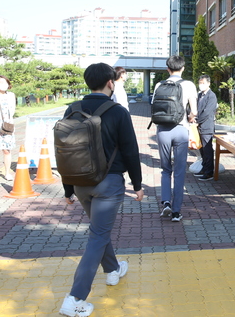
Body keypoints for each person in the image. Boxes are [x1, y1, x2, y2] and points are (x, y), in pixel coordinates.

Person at [59, 63, 144, 317]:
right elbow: (130, 150)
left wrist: (67, 189)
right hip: (108, 184)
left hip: (80, 183)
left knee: (99, 230)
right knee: (97, 236)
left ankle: (113, 270)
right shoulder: (118, 112)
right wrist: (138, 185)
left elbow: (65, 150)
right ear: (111, 83)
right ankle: (74, 299)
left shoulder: (72, 109)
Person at [153, 55, 197, 222]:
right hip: (180, 130)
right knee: (179, 171)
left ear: (167, 69)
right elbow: (194, 111)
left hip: (162, 130)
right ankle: (177, 212)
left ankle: (165, 203)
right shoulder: (189, 85)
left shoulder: (159, 84)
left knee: (165, 169)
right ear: (183, 68)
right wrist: (191, 118)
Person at [195, 75, 218, 181]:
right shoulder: (200, 95)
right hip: (198, 126)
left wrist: (197, 121)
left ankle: (209, 172)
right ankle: (204, 169)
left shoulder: (211, 96)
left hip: (207, 127)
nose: (201, 85)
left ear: (208, 83)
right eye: (200, 82)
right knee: (202, 149)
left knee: (207, 150)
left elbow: (207, 112)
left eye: (203, 83)